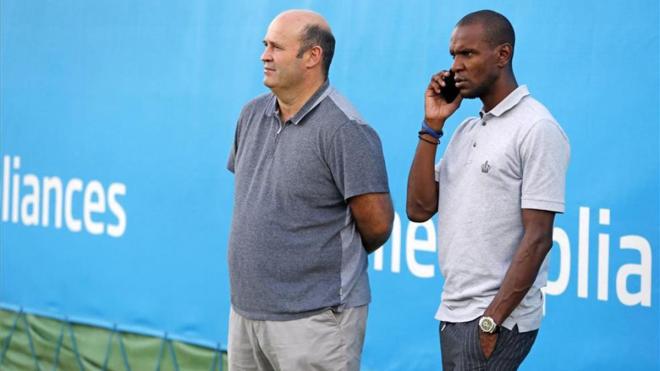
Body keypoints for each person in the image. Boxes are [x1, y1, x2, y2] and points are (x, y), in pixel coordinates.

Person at [226, 9, 394, 371]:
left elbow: (378, 226)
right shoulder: (250, 115)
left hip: (316, 322)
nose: (264, 55)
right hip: (246, 314)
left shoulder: (345, 130)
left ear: (312, 57)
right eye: (264, 45)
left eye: (276, 47)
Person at [406, 10, 570, 370]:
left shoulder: (537, 127)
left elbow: (539, 238)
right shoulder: (466, 129)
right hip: (454, 310)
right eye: (453, 55)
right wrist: (432, 126)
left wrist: (491, 320)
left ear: (502, 55)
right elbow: (419, 209)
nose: (455, 66)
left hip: (495, 320)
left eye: (467, 54)